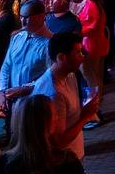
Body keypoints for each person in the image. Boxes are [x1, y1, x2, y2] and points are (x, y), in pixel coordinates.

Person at [32, 32, 100, 162]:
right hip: (63, 161)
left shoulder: (70, 75)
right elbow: (58, 141)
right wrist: (85, 116)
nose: (82, 56)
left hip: (74, 155)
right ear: (62, 57)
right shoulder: (54, 93)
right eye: (78, 52)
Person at [0, 0, 52, 127]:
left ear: (40, 17)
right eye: (21, 17)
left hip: (35, 103)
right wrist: (2, 92)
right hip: (13, 102)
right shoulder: (17, 37)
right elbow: (6, 65)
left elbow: (51, 77)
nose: (22, 21)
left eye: (27, 18)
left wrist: (25, 89)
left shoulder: (50, 43)